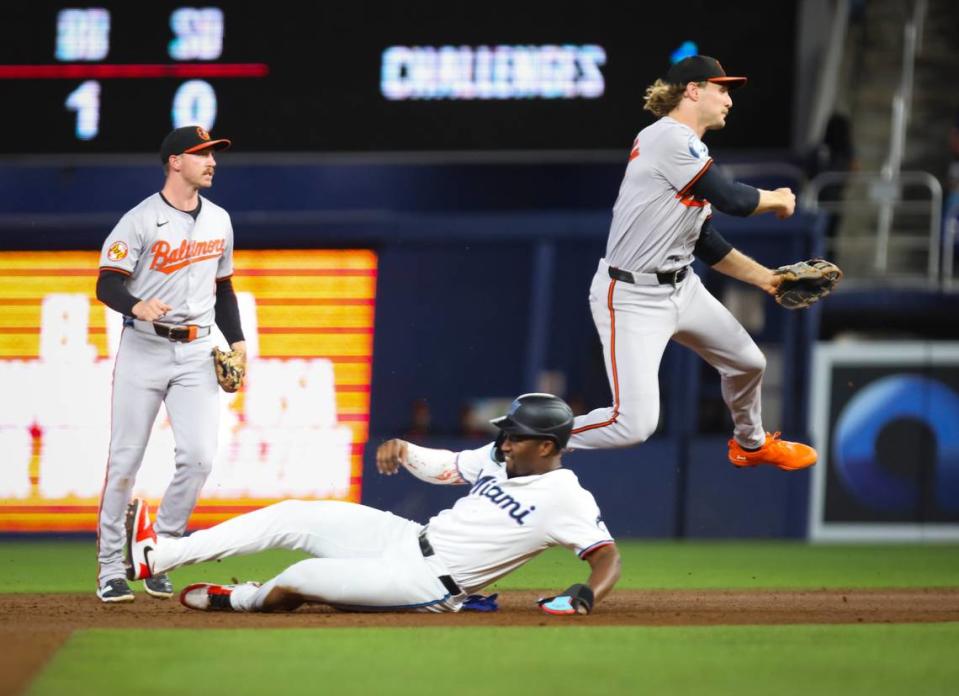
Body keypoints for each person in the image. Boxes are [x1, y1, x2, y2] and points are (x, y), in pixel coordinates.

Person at [124, 394, 621, 615]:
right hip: (406, 537)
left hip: (427, 583)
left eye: (518, 437)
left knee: (301, 579)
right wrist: (407, 451)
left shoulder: (566, 498)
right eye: (507, 434)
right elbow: (447, 467)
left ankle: (243, 599)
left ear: (550, 447)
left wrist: (585, 594)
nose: (506, 443)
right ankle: (159, 555)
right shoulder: (498, 458)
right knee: (294, 513)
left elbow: (606, 557)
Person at [568, 55, 817, 471]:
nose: (729, 101)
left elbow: (704, 242)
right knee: (633, 425)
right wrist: (777, 198)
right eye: (722, 89)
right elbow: (734, 200)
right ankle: (526, 437)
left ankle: (751, 445)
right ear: (693, 90)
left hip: (682, 288)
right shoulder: (666, 137)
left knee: (748, 363)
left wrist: (768, 280)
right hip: (631, 295)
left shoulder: (688, 151)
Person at [94, 125, 246, 603]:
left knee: (200, 458)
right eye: (202, 154)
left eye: (213, 154)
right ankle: (109, 568)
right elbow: (107, 284)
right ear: (175, 161)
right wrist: (134, 304)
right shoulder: (139, 220)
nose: (212, 161)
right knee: (124, 462)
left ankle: (160, 551)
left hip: (198, 351)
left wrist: (237, 341)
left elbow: (223, 289)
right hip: (145, 348)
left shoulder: (220, 220)